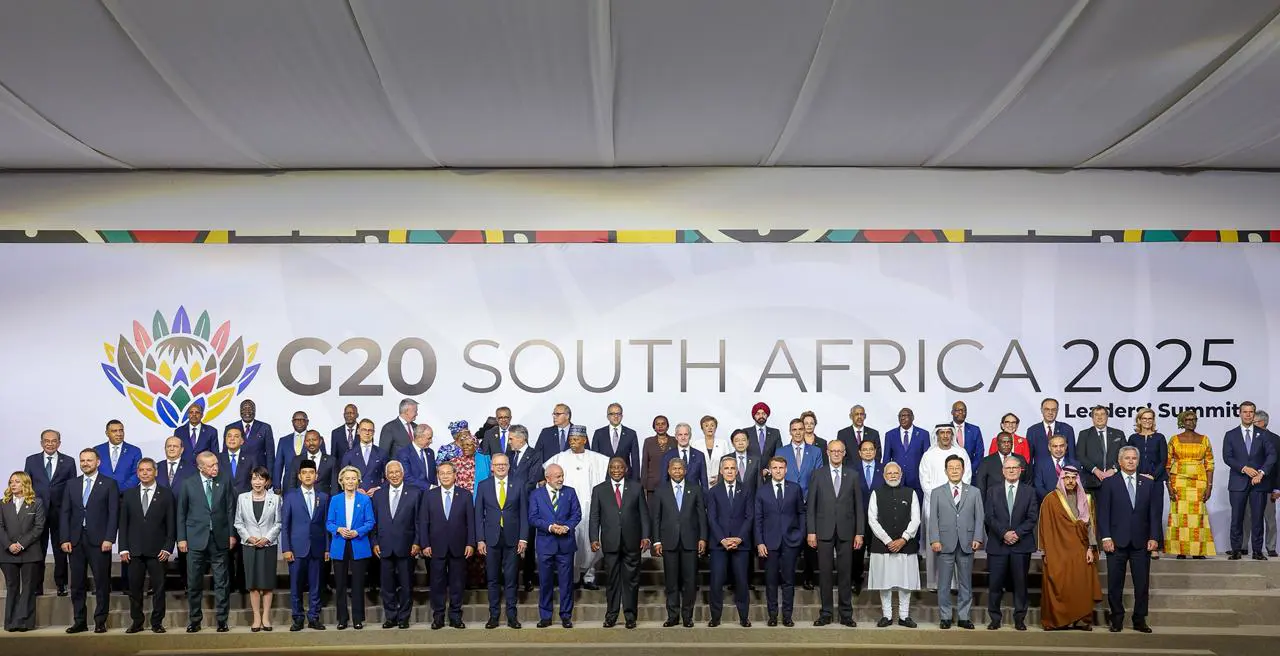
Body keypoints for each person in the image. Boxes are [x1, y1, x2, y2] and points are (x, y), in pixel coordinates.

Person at [1098, 446, 1162, 633]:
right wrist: (1106, 537)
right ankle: (1117, 618)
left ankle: (1139, 619)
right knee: (1115, 583)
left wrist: (1154, 537)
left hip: (1141, 543)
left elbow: (1155, 514)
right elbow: (1103, 513)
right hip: (1116, 542)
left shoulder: (1148, 483)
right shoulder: (1109, 483)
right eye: (1127, 458)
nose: (1131, 461)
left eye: (1134, 458)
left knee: (1141, 584)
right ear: (1120, 461)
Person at [806, 439, 865, 627]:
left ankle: (846, 614)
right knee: (824, 574)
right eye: (833, 451)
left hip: (847, 532)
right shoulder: (817, 474)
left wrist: (860, 532)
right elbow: (811, 506)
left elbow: (859, 507)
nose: (837, 454)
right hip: (823, 531)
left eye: (840, 451)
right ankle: (826, 613)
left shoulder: (853, 475)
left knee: (845, 574)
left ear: (845, 453)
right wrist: (811, 531)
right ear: (827, 452)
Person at [61, 447, 119, 634]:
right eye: (83, 460)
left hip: (100, 541)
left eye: (89, 460)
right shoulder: (72, 484)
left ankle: (100, 621)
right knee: (76, 584)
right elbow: (65, 513)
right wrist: (64, 538)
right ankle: (80, 621)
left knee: (102, 583)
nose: (85, 463)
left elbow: (113, 513)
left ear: (98, 462)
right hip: (75, 540)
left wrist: (110, 538)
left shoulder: (109, 483)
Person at [176, 450, 235, 633]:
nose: (215, 468)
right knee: (194, 582)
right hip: (195, 539)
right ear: (200, 467)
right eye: (211, 466)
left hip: (219, 538)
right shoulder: (188, 484)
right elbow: (181, 513)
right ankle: (195, 620)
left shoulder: (224, 482)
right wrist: (181, 538)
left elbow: (230, 510)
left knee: (221, 582)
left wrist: (231, 534)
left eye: (216, 464)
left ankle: (222, 620)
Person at [543, 425, 608, 589]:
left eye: (576, 439)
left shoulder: (597, 459)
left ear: (584, 440)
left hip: (589, 505)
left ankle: (589, 576)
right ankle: (573, 577)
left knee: (590, 539)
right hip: (567, 506)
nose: (573, 442)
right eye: (571, 439)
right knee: (570, 540)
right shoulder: (560, 458)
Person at [1037, 465, 1101, 630]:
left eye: (1074, 478)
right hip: (1057, 551)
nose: (1071, 481)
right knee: (1059, 584)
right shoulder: (1051, 499)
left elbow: (1090, 526)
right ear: (1061, 478)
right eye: (1067, 477)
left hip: (1080, 549)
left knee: (1081, 584)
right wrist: (1045, 551)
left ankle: (1081, 620)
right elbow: (1044, 527)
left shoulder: (1086, 498)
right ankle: (1059, 620)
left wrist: (1090, 548)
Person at [589, 456, 649, 629]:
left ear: (626, 470)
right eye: (612, 467)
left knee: (631, 581)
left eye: (619, 467)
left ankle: (630, 616)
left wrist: (646, 536)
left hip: (632, 542)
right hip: (610, 542)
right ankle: (611, 616)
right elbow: (595, 517)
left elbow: (644, 515)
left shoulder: (637, 488)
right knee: (612, 581)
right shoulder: (599, 490)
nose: (616, 470)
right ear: (609, 469)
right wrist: (594, 538)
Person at [927, 454, 983, 630]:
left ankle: (964, 617)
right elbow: (933, 519)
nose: (954, 471)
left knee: (965, 582)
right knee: (943, 583)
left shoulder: (974, 492)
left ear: (963, 470)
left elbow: (979, 517)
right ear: (945, 471)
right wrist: (934, 539)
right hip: (944, 543)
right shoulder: (937, 492)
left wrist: (977, 537)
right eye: (950, 468)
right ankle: (945, 617)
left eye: (957, 467)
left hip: (967, 543)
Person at [119, 459, 174, 634]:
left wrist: (167, 547)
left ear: (155, 472)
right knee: (134, 589)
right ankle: (137, 622)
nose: (145, 473)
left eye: (148, 470)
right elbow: (123, 523)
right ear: (137, 473)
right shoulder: (128, 494)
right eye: (141, 470)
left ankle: (157, 622)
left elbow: (171, 524)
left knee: (158, 589)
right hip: (134, 551)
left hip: (158, 551)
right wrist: (123, 548)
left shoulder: (166, 494)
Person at [651, 457, 707, 628]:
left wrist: (703, 538)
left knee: (690, 581)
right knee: (671, 581)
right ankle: (673, 616)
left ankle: (687, 616)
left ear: (685, 471)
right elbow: (656, 518)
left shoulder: (695, 489)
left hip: (690, 541)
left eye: (680, 468)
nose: (677, 471)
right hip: (669, 542)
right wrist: (657, 541)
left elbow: (701, 516)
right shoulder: (660, 490)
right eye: (673, 469)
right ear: (668, 471)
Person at [983, 457, 1037, 631]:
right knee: (995, 584)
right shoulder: (993, 491)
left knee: (1020, 584)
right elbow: (989, 516)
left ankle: (1020, 619)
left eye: (1015, 468)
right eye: (1008, 468)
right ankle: (995, 619)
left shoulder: (1029, 491)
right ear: (1003, 471)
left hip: (1021, 546)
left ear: (1021, 470)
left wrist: (1017, 534)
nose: (1012, 470)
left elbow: (1032, 517)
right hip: (998, 545)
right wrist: (1004, 533)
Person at [475, 452, 527, 629]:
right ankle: (494, 616)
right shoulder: (483, 486)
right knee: (492, 579)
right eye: (497, 465)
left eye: (504, 464)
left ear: (509, 466)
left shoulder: (519, 484)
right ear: (492, 467)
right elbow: (478, 515)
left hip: (513, 539)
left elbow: (524, 514)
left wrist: (523, 538)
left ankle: (512, 616)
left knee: (511, 579)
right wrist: (480, 539)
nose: (501, 467)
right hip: (491, 539)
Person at [421, 462, 475, 629]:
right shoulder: (429, 495)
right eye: (441, 473)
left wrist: (470, 543)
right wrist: (425, 544)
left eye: (448, 473)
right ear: (438, 476)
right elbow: (423, 522)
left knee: (457, 583)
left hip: (459, 546)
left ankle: (455, 617)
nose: (444, 476)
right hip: (435, 548)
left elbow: (470, 522)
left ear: (455, 475)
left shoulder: (465, 495)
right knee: (437, 583)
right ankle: (438, 617)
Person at [866, 462, 919, 629]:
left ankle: (904, 616)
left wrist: (903, 539)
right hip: (883, 546)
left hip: (906, 545)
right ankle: (887, 615)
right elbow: (872, 519)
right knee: (885, 582)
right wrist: (888, 540)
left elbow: (916, 519)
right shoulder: (876, 493)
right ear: (884, 475)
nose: (893, 475)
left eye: (896, 473)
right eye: (889, 473)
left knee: (905, 582)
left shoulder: (911, 493)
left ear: (901, 474)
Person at [918, 424, 971, 591]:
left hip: (958, 504)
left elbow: (967, 477)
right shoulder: (928, 455)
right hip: (933, 503)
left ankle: (956, 584)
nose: (946, 436)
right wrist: (938, 499)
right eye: (942, 433)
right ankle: (934, 583)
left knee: (957, 542)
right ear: (937, 435)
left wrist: (954, 499)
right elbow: (924, 480)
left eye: (949, 432)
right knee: (935, 542)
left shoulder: (961, 453)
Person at [1222, 401, 1276, 560]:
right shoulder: (1230, 434)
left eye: (1250, 412)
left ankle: (1258, 551)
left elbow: (1272, 455)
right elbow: (1227, 457)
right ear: (1239, 413)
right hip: (1238, 482)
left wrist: (1261, 472)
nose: (1247, 414)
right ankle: (1236, 550)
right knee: (1237, 517)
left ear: (1254, 414)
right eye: (1244, 412)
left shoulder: (1263, 434)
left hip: (1258, 483)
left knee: (1258, 517)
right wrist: (1244, 468)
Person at [371, 460, 422, 630]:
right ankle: (391, 616)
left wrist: (417, 542)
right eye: (390, 473)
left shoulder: (415, 493)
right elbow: (374, 523)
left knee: (406, 584)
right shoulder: (378, 495)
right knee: (387, 585)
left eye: (397, 472)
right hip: (384, 547)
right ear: (386, 475)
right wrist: (375, 542)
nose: (394, 475)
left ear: (402, 473)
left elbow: (419, 521)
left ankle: (403, 617)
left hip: (407, 546)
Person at [528, 463, 580, 628]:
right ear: (547, 478)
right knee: (545, 582)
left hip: (566, 545)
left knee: (566, 582)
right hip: (545, 545)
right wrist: (550, 527)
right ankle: (545, 616)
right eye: (557, 476)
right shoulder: (536, 494)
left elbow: (576, 514)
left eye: (562, 475)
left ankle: (566, 616)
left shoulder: (570, 492)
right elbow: (533, 518)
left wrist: (566, 527)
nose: (561, 479)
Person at [23, 429, 74, 597]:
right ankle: (38, 585)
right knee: (38, 549)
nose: (50, 444)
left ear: (59, 443)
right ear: (41, 443)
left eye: (53, 441)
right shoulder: (31, 460)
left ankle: (61, 584)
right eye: (47, 441)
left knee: (61, 550)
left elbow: (72, 488)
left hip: (60, 512)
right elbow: (27, 487)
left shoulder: (69, 461)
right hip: (38, 512)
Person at [755, 456, 804, 627]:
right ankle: (773, 615)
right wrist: (760, 542)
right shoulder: (762, 491)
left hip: (790, 542)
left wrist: (800, 535)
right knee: (771, 581)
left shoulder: (795, 489)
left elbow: (801, 513)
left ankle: (787, 616)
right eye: (774, 468)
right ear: (770, 470)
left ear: (786, 469)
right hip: (769, 544)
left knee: (788, 581)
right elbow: (758, 519)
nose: (778, 471)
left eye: (781, 468)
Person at [281, 459, 328, 632]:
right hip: (296, 548)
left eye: (311, 473)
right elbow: (285, 525)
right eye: (305, 473)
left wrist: (327, 548)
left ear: (316, 476)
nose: (308, 476)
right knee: (296, 585)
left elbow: (324, 524)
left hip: (317, 548)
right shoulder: (291, 496)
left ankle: (314, 617)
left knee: (316, 585)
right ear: (300, 476)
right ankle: (298, 618)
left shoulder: (323, 497)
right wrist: (286, 548)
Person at [326, 465, 375, 630]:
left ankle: (358, 618)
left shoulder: (365, 500)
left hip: (359, 544)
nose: (350, 481)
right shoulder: (335, 499)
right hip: (340, 544)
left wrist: (357, 532)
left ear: (358, 481)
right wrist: (338, 529)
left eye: (353, 478)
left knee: (358, 584)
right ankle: (342, 619)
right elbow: (329, 523)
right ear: (341, 481)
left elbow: (370, 522)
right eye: (347, 478)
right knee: (340, 584)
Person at [706, 455, 752, 627]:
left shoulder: (746, 489)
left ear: (737, 470)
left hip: (741, 545)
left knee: (741, 581)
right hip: (719, 545)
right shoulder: (713, 492)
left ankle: (743, 617)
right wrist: (722, 539)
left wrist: (739, 538)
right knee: (716, 582)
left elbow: (750, 516)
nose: (730, 471)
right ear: (721, 471)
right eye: (726, 468)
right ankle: (715, 618)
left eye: (733, 468)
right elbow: (712, 518)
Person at [234, 466, 281, 632]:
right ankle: (256, 618)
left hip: (268, 545)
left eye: (261, 478)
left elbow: (278, 523)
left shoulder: (275, 499)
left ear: (267, 481)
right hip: (250, 545)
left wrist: (267, 538)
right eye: (254, 478)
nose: (257, 482)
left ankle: (266, 617)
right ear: (250, 480)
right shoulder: (242, 498)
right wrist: (248, 537)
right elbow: (238, 522)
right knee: (253, 584)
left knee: (267, 584)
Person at [1165, 409, 1216, 559]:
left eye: (1193, 419)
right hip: (1178, 481)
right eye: (1188, 419)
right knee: (1180, 516)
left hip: (1199, 481)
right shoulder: (1174, 439)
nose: (1191, 422)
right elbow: (1167, 464)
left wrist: (1210, 486)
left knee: (1198, 515)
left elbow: (1210, 463)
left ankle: (1198, 551)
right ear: (1182, 422)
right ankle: (1181, 550)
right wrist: (1169, 486)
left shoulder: (1204, 439)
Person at [780, 417, 823, 590]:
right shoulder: (781, 451)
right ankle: (786, 577)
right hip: (788, 504)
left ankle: (809, 577)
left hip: (809, 502)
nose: (798, 432)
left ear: (805, 430)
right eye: (794, 429)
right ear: (790, 432)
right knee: (788, 540)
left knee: (810, 542)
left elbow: (818, 477)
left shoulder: (815, 452)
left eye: (800, 429)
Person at [0, 471, 45, 632]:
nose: (13, 484)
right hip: (7, 553)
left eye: (17, 482)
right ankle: (10, 622)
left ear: (25, 483)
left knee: (28, 588)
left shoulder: (36, 503)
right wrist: (9, 545)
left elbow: (39, 527)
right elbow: (0, 527)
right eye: (11, 481)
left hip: (30, 552)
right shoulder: (3, 503)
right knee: (12, 587)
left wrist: (21, 544)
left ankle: (24, 622)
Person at [220, 427, 256, 594]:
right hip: (222, 507)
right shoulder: (218, 459)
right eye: (229, 436)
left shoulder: (250, 458)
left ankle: (243, 583)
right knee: (225, 546)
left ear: (242, 440)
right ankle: (227, 583)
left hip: (245, 507)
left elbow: (256, 481)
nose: (232, 439)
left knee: (244, 546)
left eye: (236, 436)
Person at [508, 425, 544, 592]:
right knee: (510, 541)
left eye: (511, 439)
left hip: (527, 503)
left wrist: (515, 492)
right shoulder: (508, 454)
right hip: (508, 504)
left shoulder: (535, 454)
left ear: (521, 438)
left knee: (527, 540)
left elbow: (533, 479)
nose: (509, 442)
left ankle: (528, 577)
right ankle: (511, 578)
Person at [1129, 408, 1168, 558]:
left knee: (1155, 512)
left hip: (1156, 481)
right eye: (1144, 418)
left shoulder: (1160, 437)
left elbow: (1163, 460)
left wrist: (1152, 476)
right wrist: (1140, 475)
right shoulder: (1133, 438)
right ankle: (1139, 544)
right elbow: (1129, 458)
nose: (1147, 421)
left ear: (1153, 420)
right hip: (1137, 480)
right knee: (1140, 512)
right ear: (1139, 420)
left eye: (1150, 418)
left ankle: (1155, 546)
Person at [853, 439, 883, 594]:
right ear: (859, 453)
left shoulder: (884, 469)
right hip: (859, 517)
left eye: (871, 449)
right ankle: (856, 580)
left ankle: (877, 580)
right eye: (865, 450)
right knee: (857, 551)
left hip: (879, 518)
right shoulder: (852, 470)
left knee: (877, 550)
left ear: (875, 451)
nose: (868, 452)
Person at [1077, 406, 1127, 497]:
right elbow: (1080, 456)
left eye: (1102, 414)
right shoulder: (1084, 434)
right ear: (1092, 418)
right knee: (1093, 511)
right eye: (1096, 415)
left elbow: (1125, 455)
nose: (1099, 417)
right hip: (1091, 482)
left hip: (1115, 480)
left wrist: (1114, 469)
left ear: (1107, 417)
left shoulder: (1119, 434)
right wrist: (1095, 470)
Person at [884, 408, 929, 496]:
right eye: (900, 416)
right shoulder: (890, 435)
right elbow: (886, 459)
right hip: (896, 481)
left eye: (905, 416)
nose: (902, 418)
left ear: (912, 417)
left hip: (917, 481)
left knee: (916, 508)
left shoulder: (923, 434)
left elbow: (926, 459)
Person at [225, 399, 274, 478]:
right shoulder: (230, 428)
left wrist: (270, 476)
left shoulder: (265, 427)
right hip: (237, 473)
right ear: (240, 411)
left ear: (255, 411)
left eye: (250, 409)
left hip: (259, 473)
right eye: (244, 409)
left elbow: (270, 455)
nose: (247, 411)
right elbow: (225, 453)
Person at [1254, 411, 1280, 557]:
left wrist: (1278, 487)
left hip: (1269, 485)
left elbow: (1278, 466)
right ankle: (1243, 546)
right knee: (1247, 517)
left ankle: (1271, 547)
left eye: (1255, 422)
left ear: (1263, 423)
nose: (1252, 424)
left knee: (1269, 518)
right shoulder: (1248, 437)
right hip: (1250, 485)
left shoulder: (1276, 440)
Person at [592, 403, 641, 477]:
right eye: (612, 414)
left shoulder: (631, 434)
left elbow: (635, 460)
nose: (616, 416)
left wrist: (636, 481)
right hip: (604, 478)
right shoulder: (599, 433)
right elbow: (594, 458)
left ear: (622, 416)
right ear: (607, 416)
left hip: (626, 478)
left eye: (618, 413)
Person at [341, 418, 388, 495]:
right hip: (355, 496)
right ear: (358, 431)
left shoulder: (382, 453)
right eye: (364, 430)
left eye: (370, 430)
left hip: (376, 497)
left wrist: (379, 488)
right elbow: (342, 477)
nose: (367, 433)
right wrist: (355, 489)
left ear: (373, 432)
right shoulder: (349, 454)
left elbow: (389, 478)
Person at [1026, 397, 1077, 466]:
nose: (1050, 412)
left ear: (1057, 410)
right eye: (1047, 409)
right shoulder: (1032, 431)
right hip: (1039, 473)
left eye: (1053, 409)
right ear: (1041, 410)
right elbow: (1029, 458)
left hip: (1063, 473)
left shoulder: (1067, 429)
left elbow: (1072, 455)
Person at [287, 430, 336, 497]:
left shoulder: (331, 460)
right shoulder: (297, 460)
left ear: (320, 441)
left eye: (314, 440)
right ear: (304, 443)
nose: (311, 443)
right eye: (308, 440)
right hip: (301, 501)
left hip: (324, 502)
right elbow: (291, 484)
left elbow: (334, 487)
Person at [661, 422, 709, 490]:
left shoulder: (699, 455)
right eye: (680, 435)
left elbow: (704, 482)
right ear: (676, 437)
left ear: (690, 436)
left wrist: (705, 499)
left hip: (694, 496)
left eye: (686, 434)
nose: (683, 437)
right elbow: (664, 480)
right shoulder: (668, 456)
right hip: (674, 496)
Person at [446, 424, 491, 495]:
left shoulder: (485, 460)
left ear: (475, 446)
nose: (465, 447)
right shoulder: (454, 462)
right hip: (461, 498)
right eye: (463, 445)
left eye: (468, 445)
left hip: (480, 496)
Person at [274, 411, 313, 492]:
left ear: (307, 422)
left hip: (310, 484)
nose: (299, 422)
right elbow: (278, 464)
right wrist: (276, 485)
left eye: (302, 419)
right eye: (296, 420)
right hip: (288, 485)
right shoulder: (283, 441)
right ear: (292, 422)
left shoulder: (316, 439)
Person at [1033, 435, 1080, 500]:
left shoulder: (1075, 464)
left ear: (1066, 447)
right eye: (1055, 446)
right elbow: (1038, 486)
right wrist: (1052, 500)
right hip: (1048, 502)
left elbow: (1080, 485)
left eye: (1061, 446)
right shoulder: (1040, 465)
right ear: (1049, 448)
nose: (1058, 449)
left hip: (1071, 503)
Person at [640, 415, 675, 497]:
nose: (660, 426)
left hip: (671, 485)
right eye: (657, 424)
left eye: (663, 424)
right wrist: (643, 486)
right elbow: (645, 465)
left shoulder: (674, 441)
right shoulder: (648, 442)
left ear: (667, 426)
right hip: (652, 486)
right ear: (654, 427)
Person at [398, 424, 437, 492]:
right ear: (419, 437)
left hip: (431, 495)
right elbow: (406, 477)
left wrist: (435, 490)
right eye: (429, 438)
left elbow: (433, 475)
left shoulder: (430, 452)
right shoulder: (404, 453)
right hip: (413, 496)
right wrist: (430, 487)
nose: (431, 441)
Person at [698, 415, 733, 486]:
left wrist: (720, 477)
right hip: (700, 484)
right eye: (706, 425)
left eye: (712, 425)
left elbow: (728, 462)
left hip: (719, 483)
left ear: (716, 427)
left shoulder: (723, 443)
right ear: (702, 428)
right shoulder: (696, 444)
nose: (710, 428)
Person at [950, 401, 985, 466]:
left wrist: (971, 470)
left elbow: (979, 453)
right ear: (952, 412)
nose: (961, 412)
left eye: (964, 410)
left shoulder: (975, 430)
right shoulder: (946, 430)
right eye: (958, 410)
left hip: (971, 471)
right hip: (951, 471)